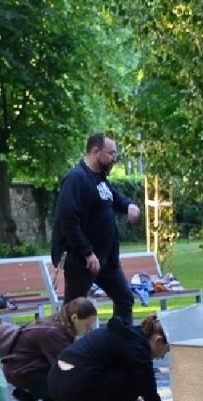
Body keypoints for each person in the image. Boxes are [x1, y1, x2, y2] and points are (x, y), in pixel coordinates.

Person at [52, 133, 141, 323]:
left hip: (107, 260)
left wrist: (129, 206)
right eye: (110, 154)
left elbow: (115, 198)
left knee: (124, 299)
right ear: (95, 151)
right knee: (73, 311)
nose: (114, 159)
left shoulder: (100, 179)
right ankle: (63, 349)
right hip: (84, 261)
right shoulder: (76, 178)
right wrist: (87, 252)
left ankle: (120, 345)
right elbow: (67, 220)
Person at [47, 314, 173, 401]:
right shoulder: (138, 350)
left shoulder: (127, 335)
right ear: (158, 340)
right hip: (76, 384)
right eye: (166, 351)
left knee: (102, 371)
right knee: (137, 377)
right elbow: (146, 388)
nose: (162, 357)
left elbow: (121, 388)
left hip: (55, 380)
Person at [0, 298, 99, 401]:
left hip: (27, 370)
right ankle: (33, 392)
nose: (88, 330)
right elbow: (67, 366)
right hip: (28, 374)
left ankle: (39, 394)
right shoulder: (53, 333)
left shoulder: (58, 325)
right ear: (74, 318)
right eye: (87, 325)